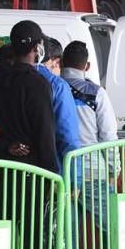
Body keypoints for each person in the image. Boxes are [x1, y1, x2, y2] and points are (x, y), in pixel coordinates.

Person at [61, 40, 121, 249]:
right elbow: (108, 135)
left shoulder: (53, 87)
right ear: (87, 65)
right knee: (116, 230)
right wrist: (114, 169)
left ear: (62, 62)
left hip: (62, 172)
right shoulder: (96, 92)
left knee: (68, 236)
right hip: (92, 173)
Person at [0, 20, 60, 173]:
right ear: (37, 48)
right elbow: (44, 132)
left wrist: (5, 145)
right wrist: (51, 172)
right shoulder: (38, 84)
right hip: (31, 173)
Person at [38, 36, 81, 167]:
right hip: (50, 170)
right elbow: (68, 137)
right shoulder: (57, 85)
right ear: (55, 62)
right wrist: (74, 179)